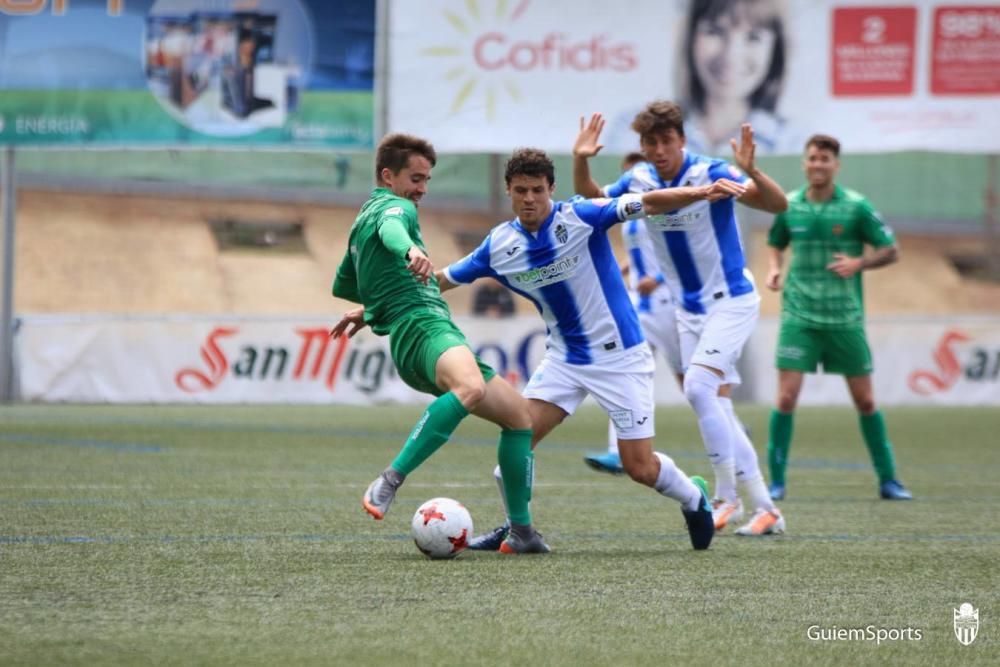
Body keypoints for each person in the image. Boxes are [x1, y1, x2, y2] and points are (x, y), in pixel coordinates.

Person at [436, 147, 733, 551]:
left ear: (551, 189)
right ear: (508, 190)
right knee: (515, 443)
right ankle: (518, 530)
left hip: (621, 359)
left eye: (537, 190)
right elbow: (443, 280)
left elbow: (647, 202)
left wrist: (698, 193)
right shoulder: (499, 245)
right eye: (520, 190)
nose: (529, 199)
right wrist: (374, 307)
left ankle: (693, 497)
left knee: (639, 467)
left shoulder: (581, 216)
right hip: (564, 360)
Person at [573, 103, 788, 536]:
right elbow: (593, 202)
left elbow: (777, 205)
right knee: (715, 402)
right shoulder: (639, 180)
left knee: (698, 387)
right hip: (689, 310)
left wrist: (753, 173)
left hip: (731, 299)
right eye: (650, 143)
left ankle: (726, 498)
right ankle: (766, 509)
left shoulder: (710, 172)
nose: (658, 150)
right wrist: (580, 160)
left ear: (681, 141)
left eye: (665, 141)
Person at [330, 133, 548, 555]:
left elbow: (347, 281)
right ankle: (390, 479)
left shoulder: (361, 222)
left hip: (421, 332)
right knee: (470, 389)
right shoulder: (395, 208)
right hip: (424, 327)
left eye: (427, 180)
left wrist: (369, 308)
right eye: (415, 178)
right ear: (387, 176)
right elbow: (394, 229)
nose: (421, 190)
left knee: (520, 418)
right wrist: (410, 249)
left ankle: (521, 531)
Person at [764, 134, 913, 501]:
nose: (818, 164)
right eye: (812, 158)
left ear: (836, 165)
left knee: (865, 401)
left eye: (825, 158)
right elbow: (775, 241)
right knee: (785, 398)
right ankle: (777, 482)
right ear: (804, 163)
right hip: (799, 314)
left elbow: (890, 250)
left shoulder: (856, 207)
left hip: (844, 317)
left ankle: (889, 480)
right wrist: (774, 268)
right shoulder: (789, 205)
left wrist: (860, 262)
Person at [583, 151, 684, 475]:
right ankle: (616, 451)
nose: (629, 184)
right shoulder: (629, 215)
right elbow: (639, 255)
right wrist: (624, 270)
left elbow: (682, 254)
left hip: (668, 302)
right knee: (624, 370)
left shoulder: (663, 210)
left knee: (693, 383)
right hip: (641, 306)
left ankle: (727, 425)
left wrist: (658, 279)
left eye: (634, 176)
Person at [680, 0, 799, 156]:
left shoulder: (793, 143)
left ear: (775, 50)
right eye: (715, 31)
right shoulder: (645, 131)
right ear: (691, 38)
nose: (731, 55)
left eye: (753, 37)